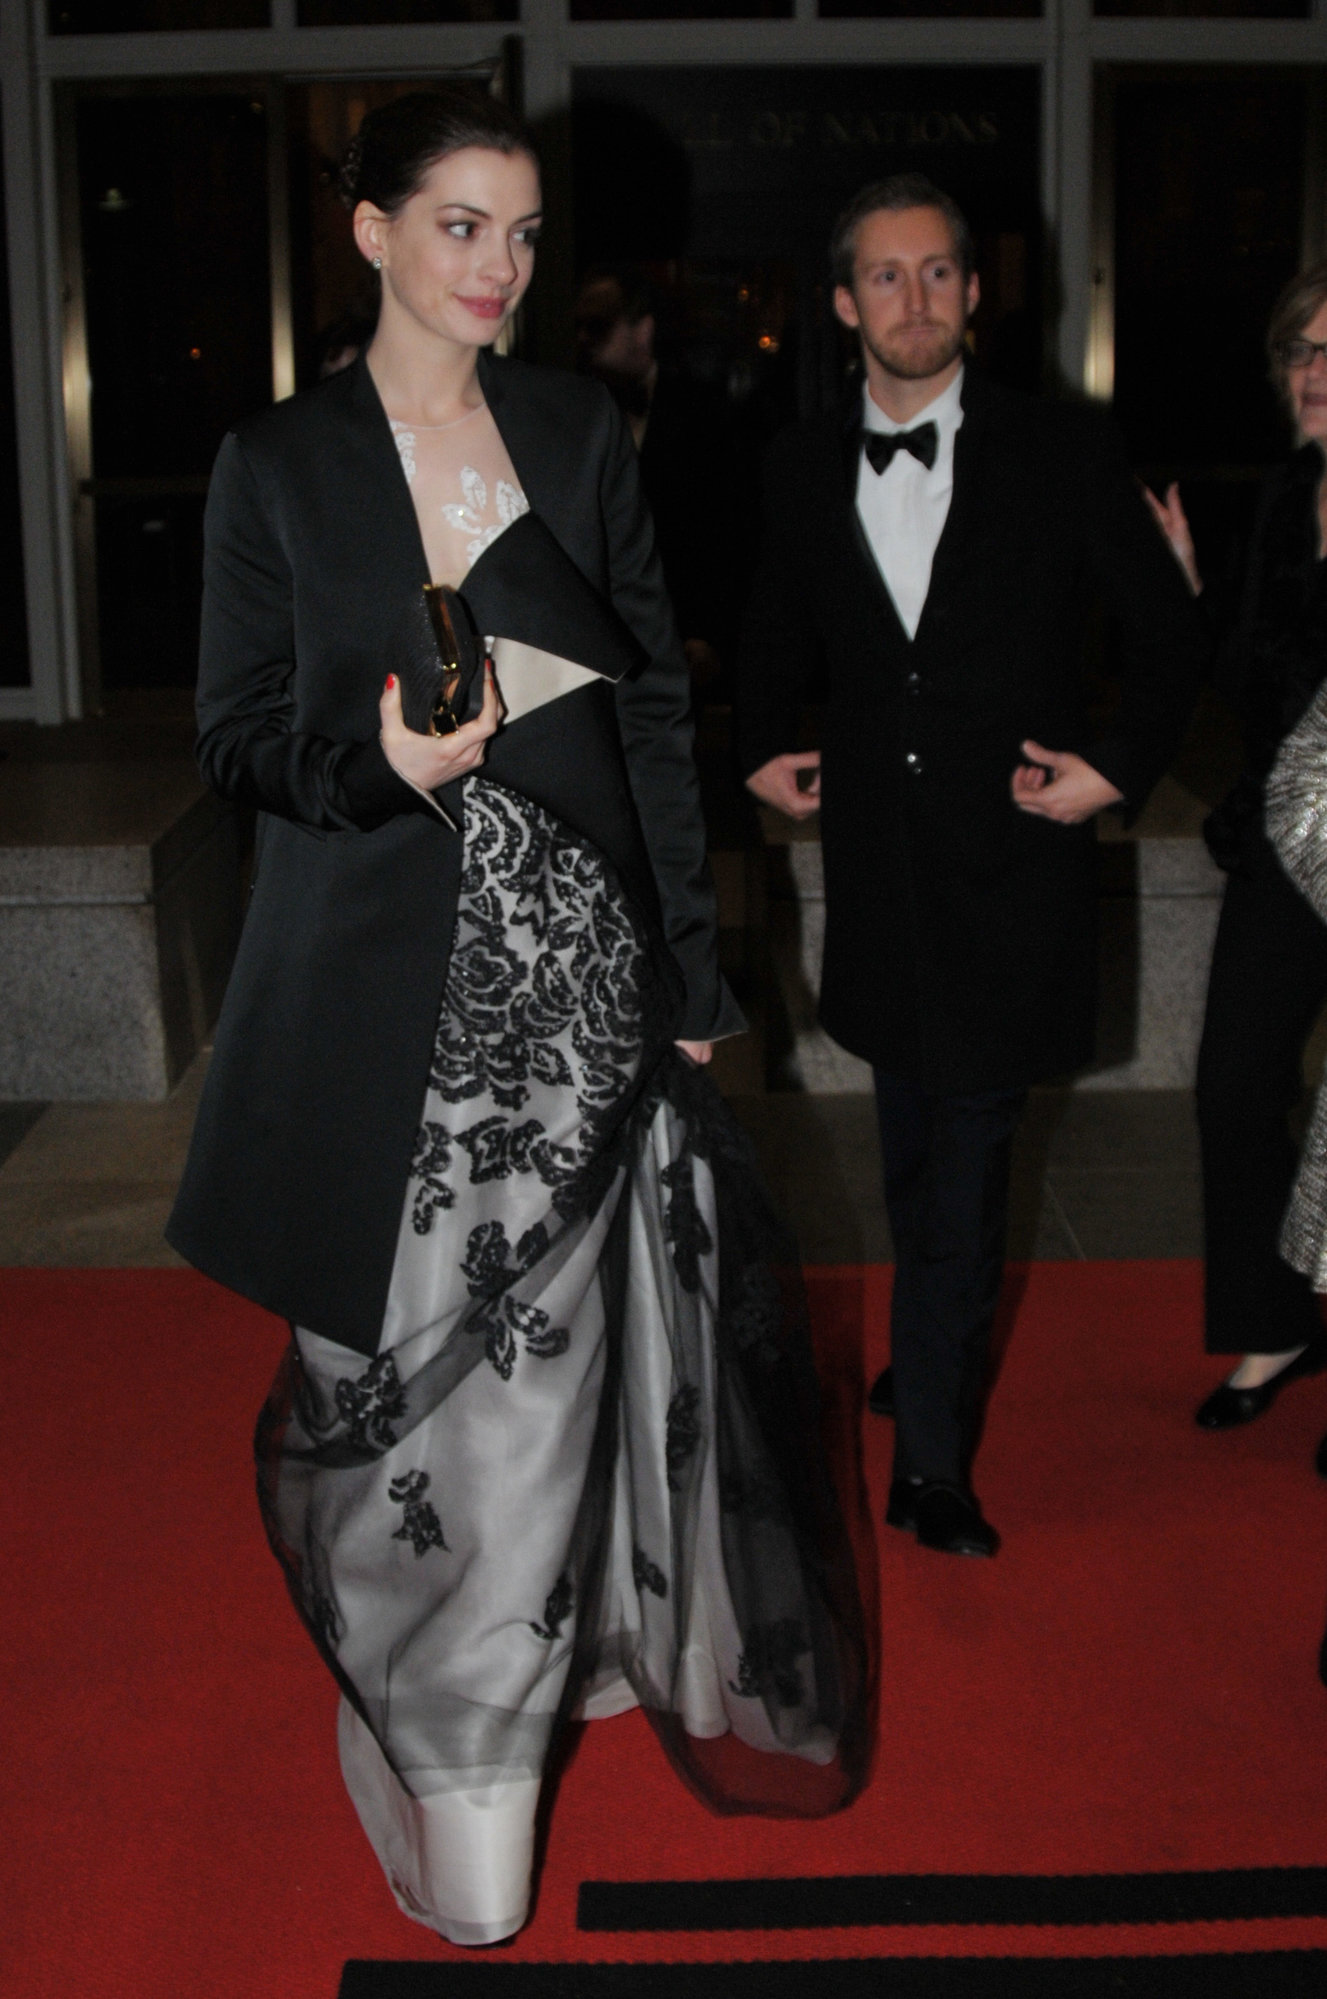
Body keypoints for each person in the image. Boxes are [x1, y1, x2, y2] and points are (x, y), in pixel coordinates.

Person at [167, 89, 866, 1949]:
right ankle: (401, 1687)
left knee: (547, 1401)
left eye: (524, 232)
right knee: (385, 1385)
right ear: (373, 230)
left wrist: (696, 989)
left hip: (576, 1012)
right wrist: (373, 761)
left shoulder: (572, 426)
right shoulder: (277, 460)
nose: (499, 267)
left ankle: (491, 1715)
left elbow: (647, 716)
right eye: (461, 224)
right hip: (363, 1023)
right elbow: (232, 733)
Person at [738, 173, 1206, 1558]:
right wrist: (763, 741)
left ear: (971, 291)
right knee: (901, 1134)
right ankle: (924, 1352)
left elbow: (1165, 636)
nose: (913, 300)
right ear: (840, 304)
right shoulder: (796, 463)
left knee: (968, 1158)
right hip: (880, 876)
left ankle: (929, 1457)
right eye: (883, 277)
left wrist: (1111, 767)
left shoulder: (1057, 449)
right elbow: (769, 617)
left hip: (1012, 870)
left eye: (936, 272)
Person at [1148, 263, 1327, 1431]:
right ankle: (1275, 1323)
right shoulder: (1281, 495)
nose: (1314, 374)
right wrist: (1193, 595)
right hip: (1289, 832)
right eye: (1303, 352)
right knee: (1234, 1084)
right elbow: (1251, 680)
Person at [575, 268, 743, 696]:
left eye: (598, 326)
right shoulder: (574, 414)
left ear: (642, 331)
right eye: (580, 326)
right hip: (600, 641)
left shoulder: (702, 414)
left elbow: (725, 529)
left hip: (681, 634)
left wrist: (708, 632)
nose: (583, 339)